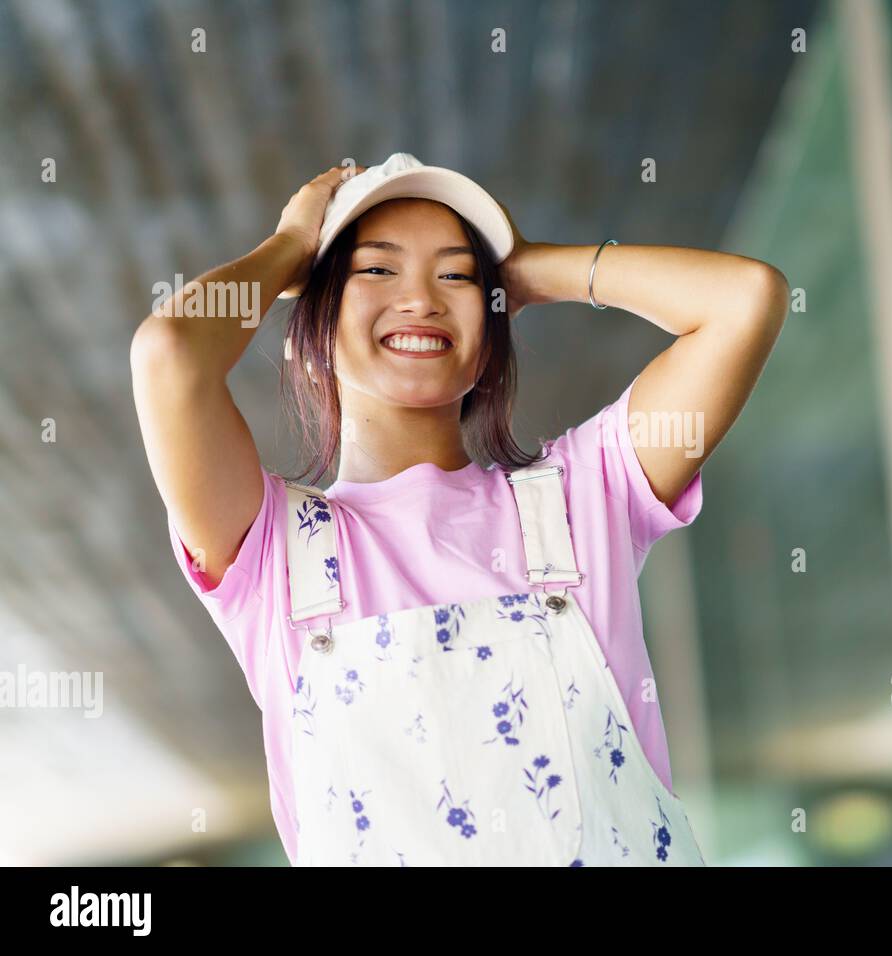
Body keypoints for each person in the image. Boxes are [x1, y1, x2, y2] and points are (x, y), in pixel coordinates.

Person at [130, 152, 789, 866]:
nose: (422, 298)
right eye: (377, 270)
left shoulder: (585, 495)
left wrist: (528, 268)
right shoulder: (271, 553)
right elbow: (170, 355)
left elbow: (745, 299)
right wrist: (291, 243)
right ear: (307, 339)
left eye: (456, 275)